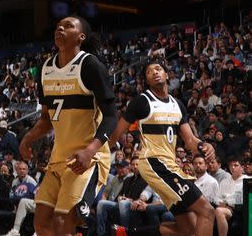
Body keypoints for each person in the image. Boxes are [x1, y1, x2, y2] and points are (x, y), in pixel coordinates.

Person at [19, 16, 117, 236]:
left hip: (88, 159)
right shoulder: (45, 68)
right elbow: (46, 119)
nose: (60, 29)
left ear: (81, 37)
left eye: (68, 26)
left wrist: (90, 150)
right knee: (41, 223)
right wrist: (28, 137)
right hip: (58, 159)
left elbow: (111, 117)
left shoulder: (90, 65)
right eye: (58, 27)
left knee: (63, 222)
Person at [107, 59, 216, 236]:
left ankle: (127, 233)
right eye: (150, 72)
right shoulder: (141, 102)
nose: (155, 72)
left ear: (167, 74)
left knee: (187, 229)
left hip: (169, 164)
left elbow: (190, 140)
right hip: (153, 163)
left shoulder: (178, 104)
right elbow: (117, 133)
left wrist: (203, 145)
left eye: (158, 69)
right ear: (147, 81)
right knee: (207, 211)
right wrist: (98, 152)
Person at [214, 158, 248, 236]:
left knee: (219, 211)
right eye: (231, 165)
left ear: (242, 167)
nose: (233, 167)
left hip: (238, 210)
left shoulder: (247, 180)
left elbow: (240, 199)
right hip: (224, 207)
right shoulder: (224, 181)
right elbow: (216, 197)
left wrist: (226, 201)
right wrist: (221, 202)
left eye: (236, 165)